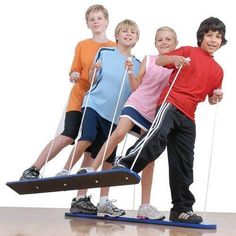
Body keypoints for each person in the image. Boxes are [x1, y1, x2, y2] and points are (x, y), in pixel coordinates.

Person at [114, 16, 227, 223]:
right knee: (157, 136)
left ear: (222, 41)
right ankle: (125, 165)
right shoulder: (188, 51)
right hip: (171, 103)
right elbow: (160, 60)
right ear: (201, 37)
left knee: (184, 162)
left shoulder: (218, 71)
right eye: (209, 35)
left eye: (218, 37)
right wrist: (175, 60)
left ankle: (181, 209)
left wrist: (215, 97)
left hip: (189, 116)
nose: (213, 40)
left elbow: (211, 99)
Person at [78, 26, 178, 220]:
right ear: (155, 44)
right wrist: (131, 72)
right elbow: (135, 87)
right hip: (136, 103)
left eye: (168, 39)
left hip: (153, 114)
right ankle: (92, 168)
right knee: (119, 133)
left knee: (149, 157)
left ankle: (145, 206)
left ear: (176, 43)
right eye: (160, 40)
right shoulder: (148, 59)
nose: (164, 42)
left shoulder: (177, 66)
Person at [19, 4, 116, 181]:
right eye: (91, 19)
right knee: (68, 134)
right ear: (87, 23)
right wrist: (74, 74)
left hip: (99, 103)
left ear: (107, 21)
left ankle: (81, 197)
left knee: (90, 144)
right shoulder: (82, 45)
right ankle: (33, 169)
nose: (96, 22)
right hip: (79, 98)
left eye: (99, 18)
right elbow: (74, 69)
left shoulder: (115, 47)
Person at [57, 19, 141, 217]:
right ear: (117, 36)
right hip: (94, 105)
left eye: (132, 32)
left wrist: (130, 72)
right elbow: (94, 78)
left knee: (108, 158)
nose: (128, 34)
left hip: (115, 115)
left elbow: (136, 89)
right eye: (124, 31)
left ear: (137, 38)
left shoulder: (137, 64)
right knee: (87, 137)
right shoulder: (105, 53)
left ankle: (103, 201)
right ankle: (65, 170)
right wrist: (94, 69)